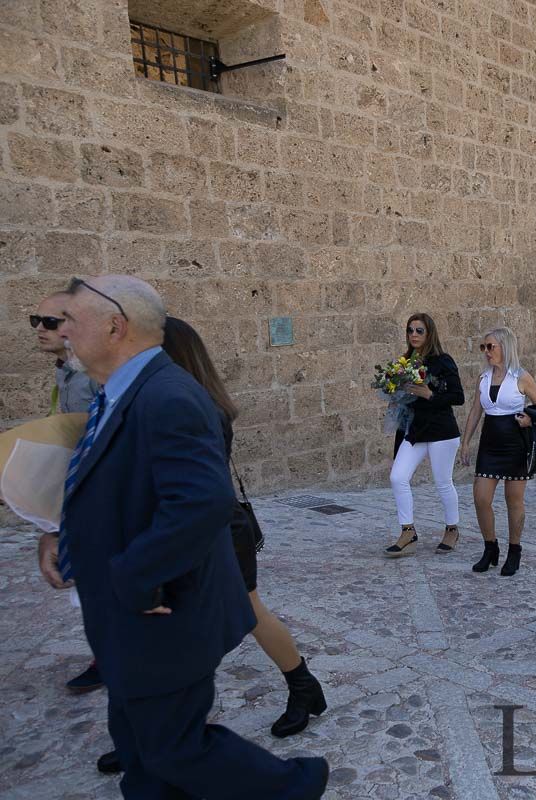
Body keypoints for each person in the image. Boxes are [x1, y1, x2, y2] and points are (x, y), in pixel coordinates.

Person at [39, 275, 328, 797]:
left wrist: (134, 577)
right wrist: (64, 534)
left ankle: (295, 785)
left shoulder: (168, 396)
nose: (61, 334)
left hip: (163, 612)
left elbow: (201, 502)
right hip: (128, 617)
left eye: (68, 321)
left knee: (174, 747)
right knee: (144, 753)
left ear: (114, 326)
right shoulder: (119, 395)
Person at [162, 317, 326, 740]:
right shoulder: (184, 401)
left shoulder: (197, 408)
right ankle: (151, 727)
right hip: (200, 527)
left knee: (247, 612)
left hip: (216, 528)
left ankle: (303, 687)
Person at [32, 291, 105, 696]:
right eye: (36, 321)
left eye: (51, 322)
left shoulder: (89, 380)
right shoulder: (66, 373)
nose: (41, 329)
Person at [456, 326, 536, 575]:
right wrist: (465, 442)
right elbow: (476, 410)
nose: (486, 352)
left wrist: (529, 418)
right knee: (481, 498)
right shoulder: (483, 378)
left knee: (513, 500)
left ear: (505, 347)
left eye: (490, 347)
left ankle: (514, 550)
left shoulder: (521, 377)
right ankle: (490, 547)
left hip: (516, 442)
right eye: (483, 347)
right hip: (490, 442)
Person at [386, 313, 465, 556]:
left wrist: (430, 395)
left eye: (419, 330)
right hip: (416, 430)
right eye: (410, 330)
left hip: (441, 430)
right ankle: (408, 531)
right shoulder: (404, 362)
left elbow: (458, 396)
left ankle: (452, 529)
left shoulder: (443, 361)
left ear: (429, 333)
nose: (414, 335)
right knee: (397, 477)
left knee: (443, 483)